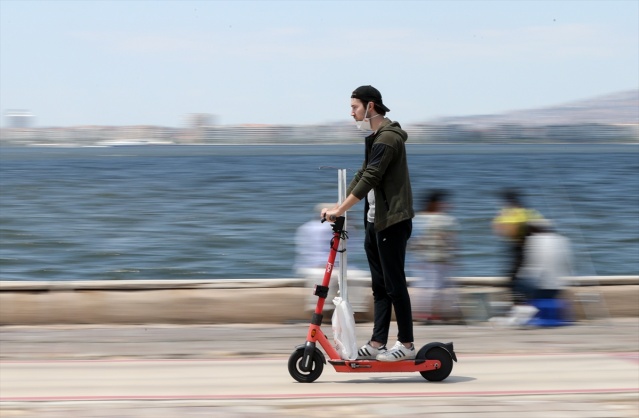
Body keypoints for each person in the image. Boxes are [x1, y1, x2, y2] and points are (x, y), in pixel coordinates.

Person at [322, 85, 415, 362]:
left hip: (392, 221)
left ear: (370, 106)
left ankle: (407, 345)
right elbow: (363, 173)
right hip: (375, 221)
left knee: (395, 284)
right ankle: (377, 342)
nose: (351, 113)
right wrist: (340, 207)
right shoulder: (375, 138)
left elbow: (371, 176)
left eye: (355, 107)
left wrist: (340, 209)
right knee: (379, 286)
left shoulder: (388, 139)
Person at [409, 190, 461, 322]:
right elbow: (451, 240)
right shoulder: (445, 220)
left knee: (424, 286)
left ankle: (423, 313)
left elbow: (411, 240)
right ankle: (431, 314)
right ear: (436, 204)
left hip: (420, 258)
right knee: (435, 287)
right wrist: (453, 255)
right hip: (438, 259)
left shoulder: (416, 219)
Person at [492, 188, 543, 306]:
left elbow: (498, 230)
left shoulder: (506, 213)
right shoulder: (529, 211)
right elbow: (540, 228)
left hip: (516, 248)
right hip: (532, 248)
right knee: (528, 276)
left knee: (513, 278)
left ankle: (519, 304)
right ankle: (528, 302)